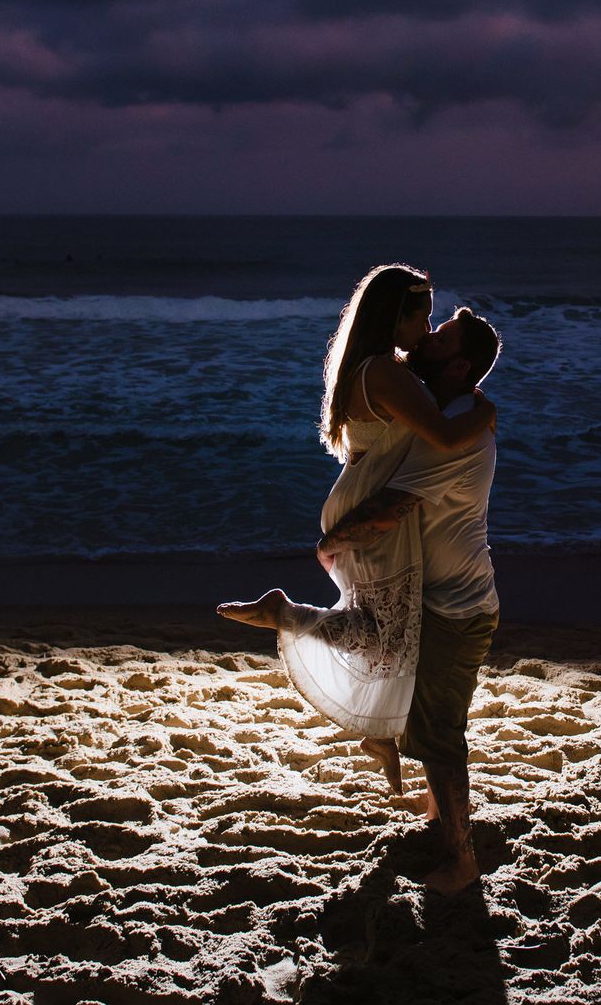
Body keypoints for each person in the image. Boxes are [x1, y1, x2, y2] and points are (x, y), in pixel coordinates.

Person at [217, 265, 495, 795]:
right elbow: (438, 433)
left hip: (357, 495)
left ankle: (380, 734)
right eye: (424, 319)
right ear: (397, 317)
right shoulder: (386, 373)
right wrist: (485, 413)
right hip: (366, 508)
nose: (427, 330)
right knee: (384, 634)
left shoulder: (375, 368)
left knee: (389, 636)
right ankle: (284, 614)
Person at [314, 307, 502, 894]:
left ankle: (461, 859)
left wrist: (330, 543)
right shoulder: (449, 417)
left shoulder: (459, 427)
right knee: (420, 709)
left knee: (440, 732)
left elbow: (390, 509)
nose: (424, 340)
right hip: (444, 598)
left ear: (461, 364)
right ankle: (435, 814)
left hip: (457, 607)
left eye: (439, 338)